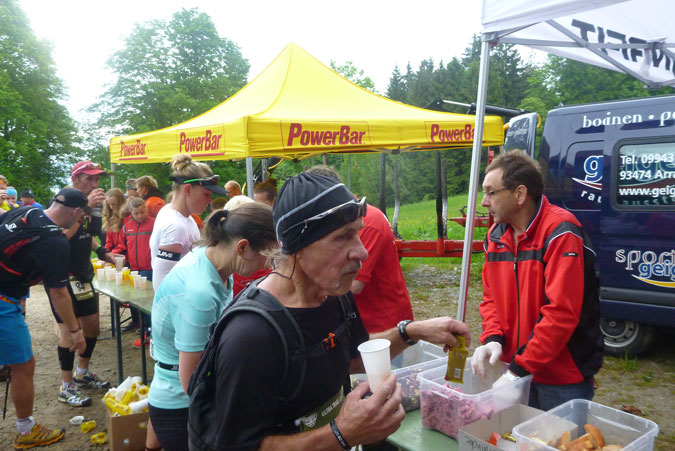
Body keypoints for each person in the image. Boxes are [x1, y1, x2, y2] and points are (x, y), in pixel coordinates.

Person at [195, 172, 470, 450]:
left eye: (357, 233)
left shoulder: (334, 294)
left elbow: (353, 357)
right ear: (297, 245)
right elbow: (238, 446)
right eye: (343, 237)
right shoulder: (251, 335)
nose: (362, 252)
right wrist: (341, 434)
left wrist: (412, 331)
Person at [471, 150, 604, 411]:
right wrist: (493, 338)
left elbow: (560, 313)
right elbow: (491, 299)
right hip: (516, 369)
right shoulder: (495, 237)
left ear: (520, 194)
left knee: (558, 435)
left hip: (561, 376)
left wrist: (518, 370)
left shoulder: (560, 233)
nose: (484, 202)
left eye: (491, 192)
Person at [149, 203, 276, 451]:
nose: (267, 267)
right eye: (267, 256)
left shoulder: (214, 262)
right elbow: (191, 382)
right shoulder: (200, 292)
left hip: (178, 398)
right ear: (242, 247)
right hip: (182, 409)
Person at [0, 188, 89, 448]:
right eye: (81, 216)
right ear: (75, 211)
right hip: (4, 302)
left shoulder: (26, 212)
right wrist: (75, 331)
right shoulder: (54, 241)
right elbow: (59, 292)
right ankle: (26, 431)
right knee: (23, 365)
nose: (80, 220)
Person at [306, 165, 414, 333]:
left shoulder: (366, 222)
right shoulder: (342, 218)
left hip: (382, 322)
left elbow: (354, 285)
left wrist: (304, 294)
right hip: (361, 318)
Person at [47, 161, 113, 408]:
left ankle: (82, 373)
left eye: (97, 179)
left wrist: (103, 251)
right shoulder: (62, 203)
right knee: (68, 331)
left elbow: (89, 236)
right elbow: (61, 236)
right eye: (89, 179)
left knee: (92, 325)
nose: (95, 184)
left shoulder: (92, 206)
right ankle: (66, 388)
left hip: (83, 275)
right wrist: (84, 209)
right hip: (62, 277)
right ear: (75, 180)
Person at [150, 155, 227, 292]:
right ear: (188, 190)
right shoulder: (175, 226)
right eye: (206, 194)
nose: (210, 201)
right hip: (180, 302)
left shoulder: (173, 213)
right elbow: (161, 285)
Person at [119, 197, 155, 335]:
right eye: (136, 213)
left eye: (142, 212)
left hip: (149, 268)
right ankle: (140, 324)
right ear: (131, 212)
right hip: (134, 269)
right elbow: (123, 246)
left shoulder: (154, 224)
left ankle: (149, 328)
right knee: (135, 298)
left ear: (146, 209)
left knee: (147, 300)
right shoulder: (127, 226)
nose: (140, 216)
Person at [103, 188, 129, 259]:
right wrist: (105, 253)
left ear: (120, 203)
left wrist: (110, 255)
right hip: (115, 254)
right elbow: (109, 242)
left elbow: (122, 245)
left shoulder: (126, 218)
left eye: (114, 204)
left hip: (124, 256)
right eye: (109, 204)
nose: (111, 207)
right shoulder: (109, 217)